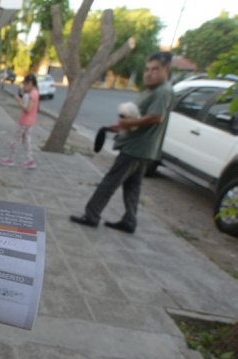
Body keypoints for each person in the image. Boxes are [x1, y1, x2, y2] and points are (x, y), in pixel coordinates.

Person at [70, 52, 174, 234]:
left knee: (109, 182)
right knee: (132, 186)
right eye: (147, 69)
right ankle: (129, 220)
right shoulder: (153, 90)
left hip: (136, 148)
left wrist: (127, 123)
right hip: (140, 148)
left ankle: (91, 215)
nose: (149, 74)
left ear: (166, 70)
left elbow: (156, 117)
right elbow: (140, 117)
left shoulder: (163, 91)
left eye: (155, 69)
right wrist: (119, 127)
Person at [0, 74, 39, 169]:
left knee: (15, 140)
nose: (24, 87)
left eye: (25, 85)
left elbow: (28, 109)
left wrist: (18, 101)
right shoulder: (35, 93)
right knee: (26, 141)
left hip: (25, 121)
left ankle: (10, 159)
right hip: (29, 121)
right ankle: (30, 160)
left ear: (30, 83)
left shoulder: (32, 94)